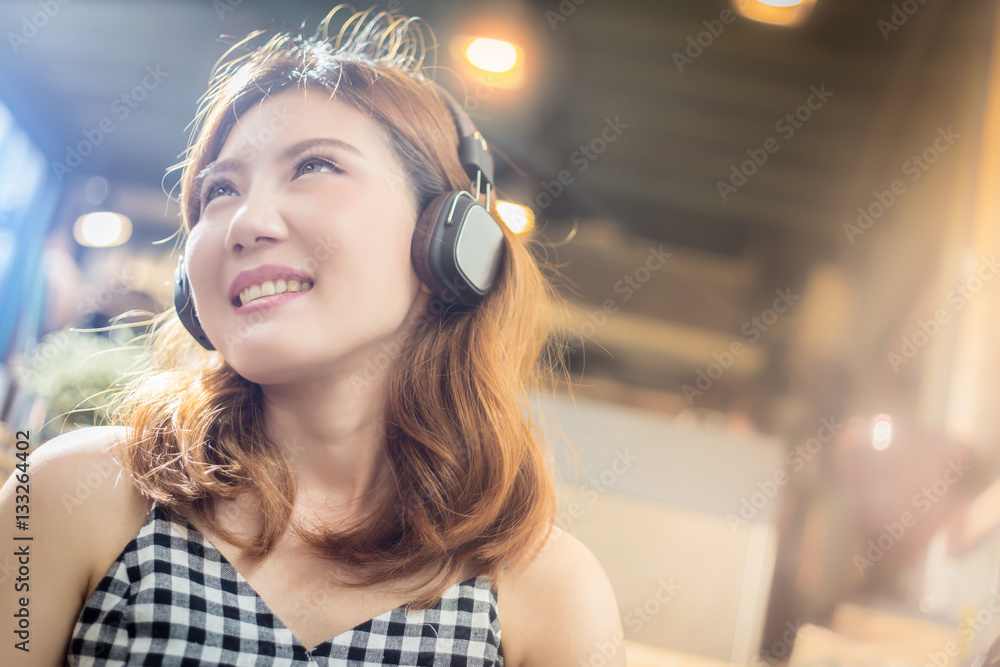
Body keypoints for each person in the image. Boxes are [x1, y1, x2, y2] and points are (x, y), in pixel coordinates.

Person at [0, 6, 625, 666]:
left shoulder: (547, 592)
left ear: (449, 240)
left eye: (313, 167)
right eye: (220, 190)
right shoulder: (77, 493)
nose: (246, 221)